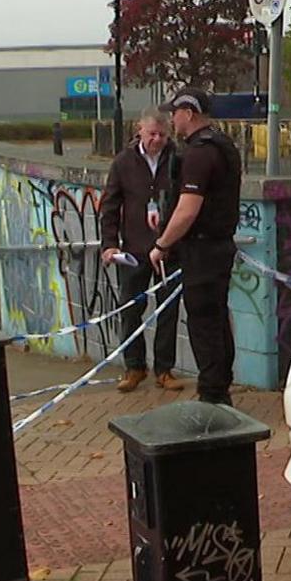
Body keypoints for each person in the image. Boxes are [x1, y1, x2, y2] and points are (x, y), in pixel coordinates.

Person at [150, 87, 241, 405]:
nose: (172, 120)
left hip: (202, 250)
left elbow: (188, 210)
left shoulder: (199, 153)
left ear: (189, 113)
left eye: (174, 113)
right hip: (219, 246)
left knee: (204, 322)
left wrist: (162, 244)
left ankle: (213, 395)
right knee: (216, 318)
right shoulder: (222, 145)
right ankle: (219, 387)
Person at [100, 109, 184, 393]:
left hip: (169, 249)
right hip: (134, 249)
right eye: (152, 135)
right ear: (140, 131)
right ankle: (134, 366)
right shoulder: (124, 162)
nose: (157, 140)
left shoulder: (178, 159)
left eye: (162, 135)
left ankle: (164, 369)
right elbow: (110, 205)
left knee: (168, 310)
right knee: (130, 309)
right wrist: (109, 244)